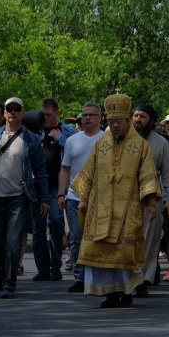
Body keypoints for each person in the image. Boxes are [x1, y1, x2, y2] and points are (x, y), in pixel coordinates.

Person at [72, 93, 161, 308]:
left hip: (128, 209)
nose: (114, 126)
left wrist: (150, 202)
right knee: (101, 251)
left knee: (122, 254)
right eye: (111, 122)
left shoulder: (140, 146)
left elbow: (147, 174)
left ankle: (126, 290)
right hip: (100, 206)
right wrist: (83, 198)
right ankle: (110, 293)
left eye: (118, 122)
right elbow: (90, 171)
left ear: (127, 120)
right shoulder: (102, 144)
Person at [0, 97, 50, 299]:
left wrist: (45, 199)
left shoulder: (31, 139)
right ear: (4, 114)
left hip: (18, 199)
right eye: (9, 109)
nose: (12, 112)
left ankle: (9, 284)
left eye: (16, 109)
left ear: (22, 113)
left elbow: (40, 171)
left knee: (13, 244)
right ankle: (5, 271)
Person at [58, 102, 105, 293]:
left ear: (100, 118)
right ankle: (80, 276)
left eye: (92, 115)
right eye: (84, 115)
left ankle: (99, 276)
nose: (87, 118)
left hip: (100, 198)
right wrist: (61, 193)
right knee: (77, 238)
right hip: (74, 196)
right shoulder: (72, 141)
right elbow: (65, 168)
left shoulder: (107, 139)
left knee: (97, 238)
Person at [132, 105, 169, 293]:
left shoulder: (161, 143)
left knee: (149, 241)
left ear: (151, 121)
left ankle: (144, 279)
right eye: (135, 115)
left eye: (142, 116)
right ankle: (130, 277)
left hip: (152, 198)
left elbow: (167, 174)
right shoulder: (125, 139)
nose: (137, 120)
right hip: (127, 197)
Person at [34, 99, 77, 282]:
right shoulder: (34, 131)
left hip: (56, 187)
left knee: (57, 222)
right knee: (38, 229)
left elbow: (76, 150)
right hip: (37, 186)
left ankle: (56, 264)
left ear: (57, 113)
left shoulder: (67, 131)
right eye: (42, 115)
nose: (45, 118)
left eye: (49, 115)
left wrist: (58, 138)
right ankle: (43, 268)